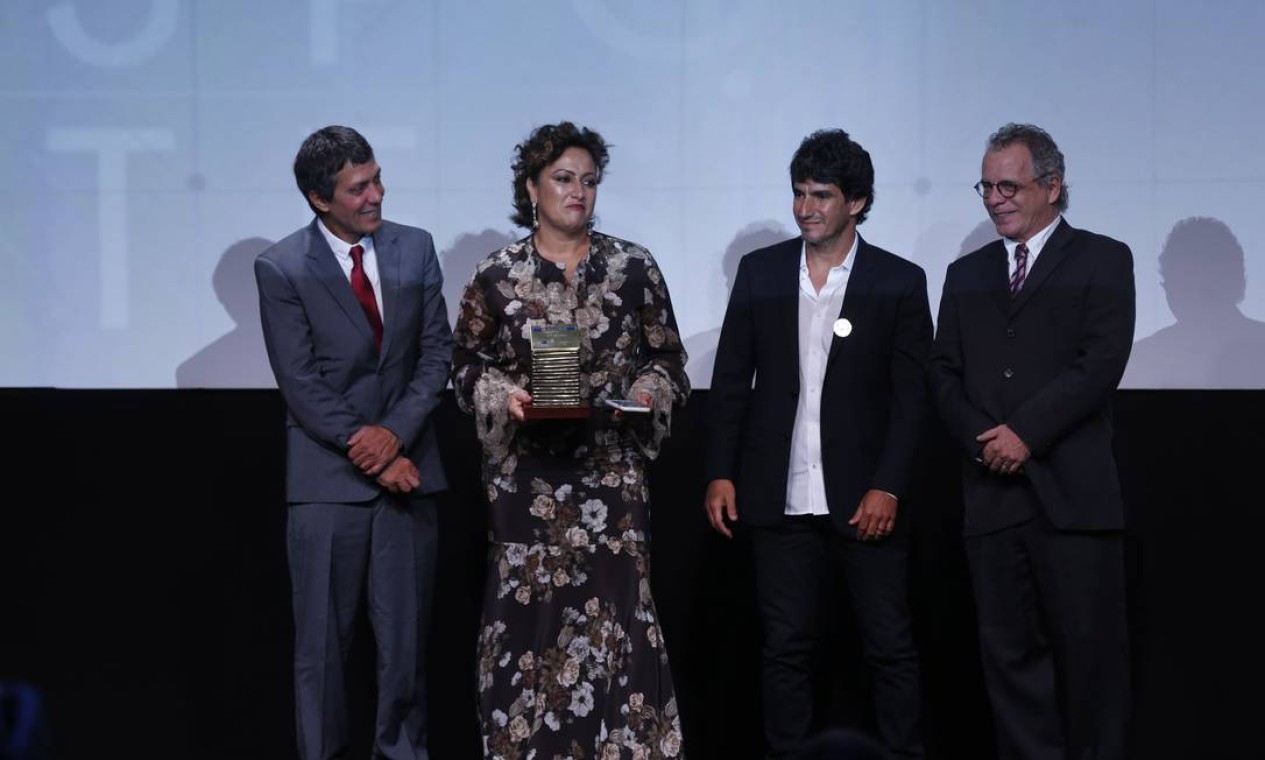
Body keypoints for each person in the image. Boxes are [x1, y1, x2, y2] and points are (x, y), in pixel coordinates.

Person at [450, 121, 689, 758]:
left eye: (588, 180)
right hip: (526, 482)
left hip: (612, 475)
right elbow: (466, 366)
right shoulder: (495, 275)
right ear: (531, 187)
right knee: (528, 624)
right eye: (562, 178)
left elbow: (669, 360)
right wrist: (507, 397)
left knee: (620, 621)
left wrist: (646, 392)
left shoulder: (633, 266)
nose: (577, 191)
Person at [704, 128, 931, 759]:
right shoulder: (761, 272)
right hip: (778, 494)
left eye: (822, 195)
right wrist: (720, 472)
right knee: (785, 650)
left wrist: (888, 484)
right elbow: (730, 382)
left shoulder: (899, 281)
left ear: (856, 202)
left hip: (865, 497)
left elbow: (913, 400)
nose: (806, 207)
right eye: (800, 193)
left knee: (889, 648)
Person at [928, 123, 1135, 760]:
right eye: (986, 186)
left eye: (1008, 185)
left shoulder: (1104, 258)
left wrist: (1026, 434)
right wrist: (982, 440)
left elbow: (1099, 364)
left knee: (1091, 670)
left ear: (1052, 185)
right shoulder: (965, 275)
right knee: (1011, 671)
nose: (995, 198)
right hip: (992, 504)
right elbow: (942, 373)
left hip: (1072, 504)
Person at [254, 125, 453, 760]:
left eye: (377, 179)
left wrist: (394, 437)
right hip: (326, 488)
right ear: (320, 199)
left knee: (406, 654)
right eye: (358, 187)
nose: (376, 195)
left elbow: (435, 353)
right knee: (323, 653)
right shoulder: (282, 267)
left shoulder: (414, 249)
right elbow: (301, 381)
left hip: (410, 473)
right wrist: (370, 453)